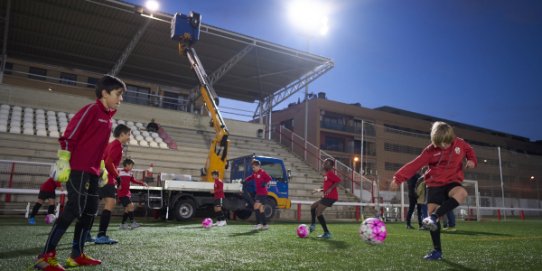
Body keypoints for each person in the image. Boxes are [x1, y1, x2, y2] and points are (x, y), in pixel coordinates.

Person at [35, 75, 125, 271]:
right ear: (105, 93)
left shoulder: (109, 119)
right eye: (118, 94)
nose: (121, 98)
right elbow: (69, 135)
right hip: (78, 169)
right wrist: (64, 160)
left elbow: (100, 148)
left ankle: (76, 255)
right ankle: (44, 257)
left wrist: (101, 167)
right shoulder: (91, 110)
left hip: (93, 172)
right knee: (75, 208)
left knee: (90, 210)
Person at [392, 121, 477, 260]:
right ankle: (437, 251)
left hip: (452, 181)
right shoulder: (429, 151)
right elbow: (415, 164)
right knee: (432, 214)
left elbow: (469, 150)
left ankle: (434, 217)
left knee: (462, 193)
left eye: (446, 143)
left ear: (451, 138)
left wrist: (472, 160)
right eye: (440, 143)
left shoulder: (460, 143)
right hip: (434, 184)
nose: (443, 146)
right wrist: (398, 178)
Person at [93, 124, 131, 244]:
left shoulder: (110, 144)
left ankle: (86, 234)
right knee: (110, 202)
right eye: (128, 134)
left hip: (100, 176)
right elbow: (109, 163)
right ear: (122, 134)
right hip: (107, 178)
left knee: (92, 206)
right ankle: (101, 235)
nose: (129, 137)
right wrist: (117, 176)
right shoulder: (117, 146)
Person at [309, 158, 342, 239]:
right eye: (324, 163)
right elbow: (328, 187)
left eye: (326, 163)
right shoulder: (327, 175)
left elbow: (339, 181)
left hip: (331, 197)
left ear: (331, 166)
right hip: (327, 196)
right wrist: (319, 190)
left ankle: (326, 233)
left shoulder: (330, 173)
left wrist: (330, 189)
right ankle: (313, 224)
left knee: (318, 212)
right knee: (313, 206)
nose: (324, 164)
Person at [117, 158, 148, 230]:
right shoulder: (119, 172)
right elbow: (115, 179)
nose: (132, 167)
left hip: (127, 193)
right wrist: (118, 184)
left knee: (127, 209)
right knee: (131, 206)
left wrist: (142, 183)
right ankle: (133, 223)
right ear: (127, 165)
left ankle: (123, 224)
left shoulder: (130, 173)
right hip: (122, 193)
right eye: (131, 165)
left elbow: (133, 180)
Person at [244, 159, 271, 230]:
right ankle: (265, 225)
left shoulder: (262, 172)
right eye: (252, 167)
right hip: (258, 193)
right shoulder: (255, 173)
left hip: (262, 193)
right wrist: (245, 180)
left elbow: (269, 178)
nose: (253, 169)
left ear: (258, 166)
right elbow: (251, 177)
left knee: (255, 207)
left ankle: (258, 224)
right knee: (260, 209)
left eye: (254, 167)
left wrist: (265, 183)